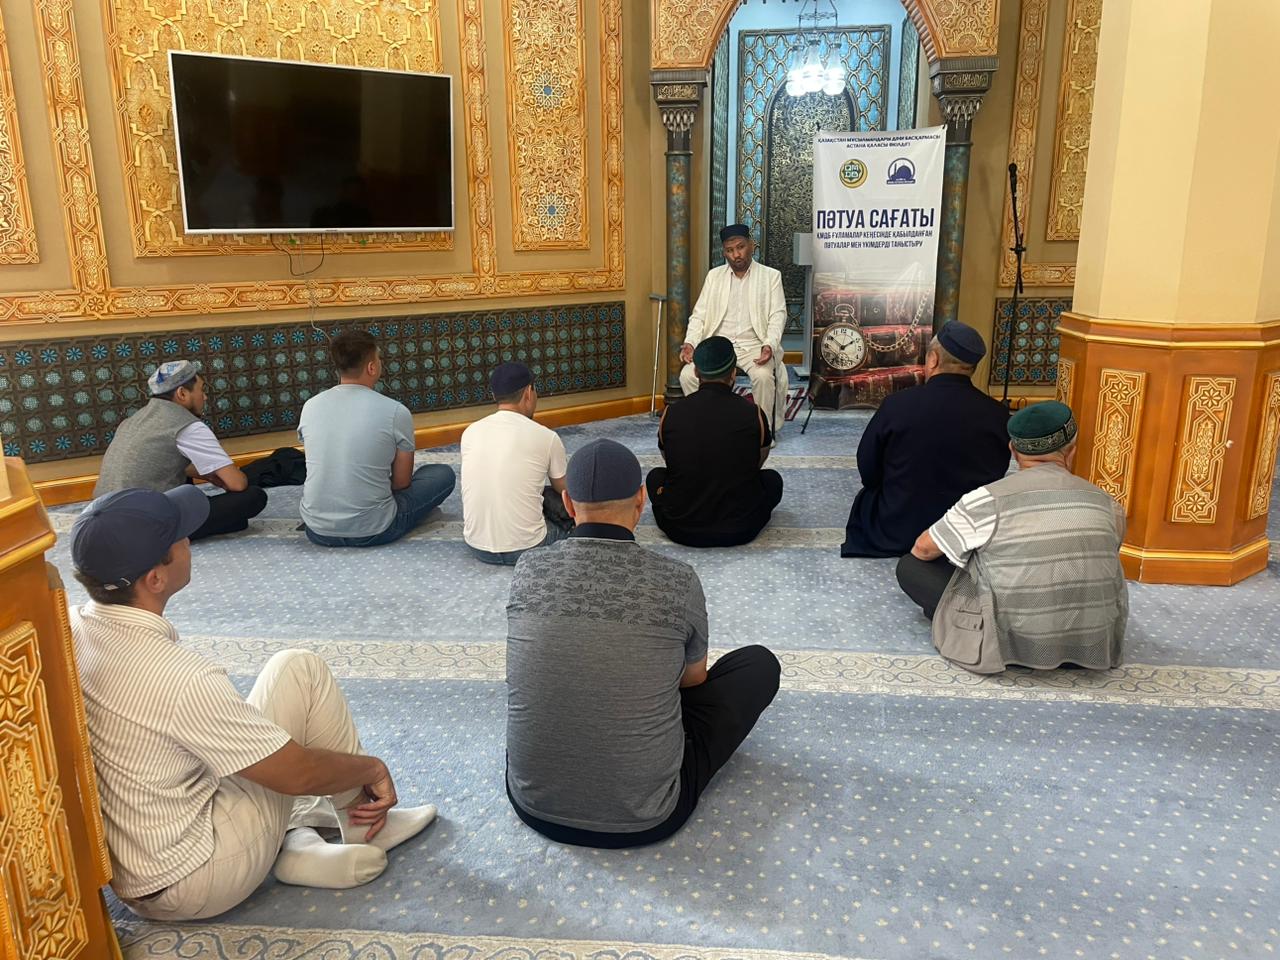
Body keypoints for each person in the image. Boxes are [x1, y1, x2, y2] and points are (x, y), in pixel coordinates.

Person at [68, 486, 438, 921]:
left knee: (288, 676)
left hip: (141, 860)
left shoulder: (72, 625)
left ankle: (300, 838)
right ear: (155, 579)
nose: (189, 541)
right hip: (195, 876)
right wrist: (371, 769)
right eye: (181, 537)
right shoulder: (180, 677)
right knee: (303, 678)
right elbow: (297, 773)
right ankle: (367, 824)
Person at [505, 438, 781, 848]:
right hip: (648, 815)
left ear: (568, 504)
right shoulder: (677, 578)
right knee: (758, 665)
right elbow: (692, 682)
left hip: (533, 803)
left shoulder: (529, 568)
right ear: (640, 500)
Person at [896, 401, 1128, 673]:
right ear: (1072, 449)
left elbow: (923, 550)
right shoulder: (1107, 503)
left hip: (1011, 640)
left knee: (911, 567)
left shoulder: (986, 499)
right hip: (1091, 639)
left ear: (1013, 451)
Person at [841, 321, 1010, 558]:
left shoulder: (897, 405)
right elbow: (997, 475)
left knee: (868, 500)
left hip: (895, 530)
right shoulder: (998, 415)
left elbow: (868, 470)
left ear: (933, 359)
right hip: (964, 533)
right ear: (971, 367)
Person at [299, 328, 455, 547]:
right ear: (372, 367)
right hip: (375, 529)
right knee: (441, 474)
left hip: (317, 530)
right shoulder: (395, 411)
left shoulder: (310, 406)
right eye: (379, 358)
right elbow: (401, 483)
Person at [94, 359, 270, 540]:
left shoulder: (132, 421)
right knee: (252, 497)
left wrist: (208, 474)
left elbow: (160, 463)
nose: (205, 397)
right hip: (145, 527)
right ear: (182, 393)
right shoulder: (187, 425)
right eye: (201, 390)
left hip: (102, 520)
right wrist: (225, 477)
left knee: (188, 481)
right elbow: (237, 484)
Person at [648, 336, 783, 547]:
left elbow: (670, 460)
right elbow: (758, 461)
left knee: (655, 477)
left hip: (680, 527)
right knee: (772, 480)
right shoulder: (754, 413)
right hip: (741, 528)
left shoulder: (671, 413)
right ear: (733, 373)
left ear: (696, 372)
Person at [679, 224, 789, 438]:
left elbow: (778, 315)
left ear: (751, 246)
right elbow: (699, 315)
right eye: (730, 250)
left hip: (755, 345)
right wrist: (690, 342)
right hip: (719, 346)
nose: (736, 254)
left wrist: (769, 345)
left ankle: (762, 432)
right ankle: (709, 427)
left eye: (740, 247)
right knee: (687, 376)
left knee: (763, 376)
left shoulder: (770, 276)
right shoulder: (714, 276)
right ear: (724, 252)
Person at [460, 362, 572, 564]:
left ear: (494, 396)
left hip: (477, 547)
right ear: (529, 392)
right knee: (570, 510)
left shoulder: (470, 432)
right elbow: (566, 491)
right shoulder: (546, 437)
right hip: (529, 548)